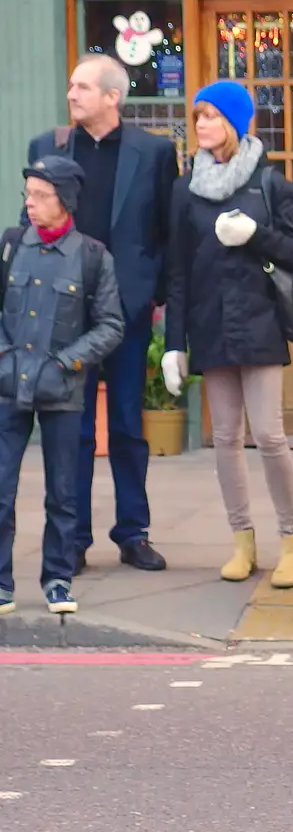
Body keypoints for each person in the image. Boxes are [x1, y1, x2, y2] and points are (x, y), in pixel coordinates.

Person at [28, 54, 177, 575]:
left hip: (128, 313)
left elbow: (166, 232)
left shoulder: (154, 153)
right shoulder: (47, 148)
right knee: (73, 430)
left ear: (113, 96)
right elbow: (31, 220)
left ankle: (133, 532)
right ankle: (74, 539)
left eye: (83, 87)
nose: (71, 94)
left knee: (129, 427)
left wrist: (152, 295)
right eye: (70, 85)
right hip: (66, 316)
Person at [162, 81, 293, 588]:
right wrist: (174, 343)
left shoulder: (270, 183)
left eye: (211, 117)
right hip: (209, 323)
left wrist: (255, 235)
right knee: (225, 438)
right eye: (197, 116)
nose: (201, 126)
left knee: (269, 435)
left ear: (236, 123)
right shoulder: (185, 190)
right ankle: (241, 539)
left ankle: (292, 540)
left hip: (261, 321)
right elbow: (177, 271)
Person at [0, 157, 124, 616]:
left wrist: (69, 361)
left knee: (64, 490)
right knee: (1, 488)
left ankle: (57, 577)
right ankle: (1, 583)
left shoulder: (93, 257)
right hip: (9, 386)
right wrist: (4, 356)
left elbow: (112, 325)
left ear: (65, 202)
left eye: (40, 196)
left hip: (63, 389)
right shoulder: (11, 246)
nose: (30, 205)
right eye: (27, 195)